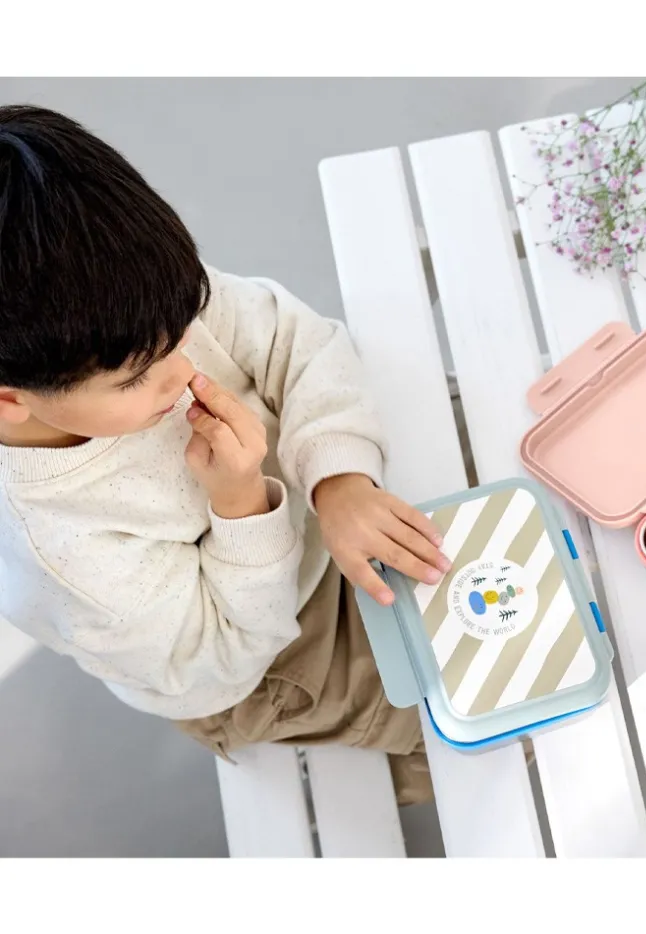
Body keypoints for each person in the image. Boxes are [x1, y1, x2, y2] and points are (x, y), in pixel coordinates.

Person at [0, 105, 449, 805]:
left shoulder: (137, 304)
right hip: (269, 656)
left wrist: (339, 481)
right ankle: (406, 783)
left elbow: (298, 342)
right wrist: (240, 504)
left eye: (185, 329)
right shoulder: (61, 555)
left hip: (321, 517)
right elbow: (220, 661)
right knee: (465, 714)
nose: (182, 371)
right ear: (10, 400)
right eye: (138, 378)